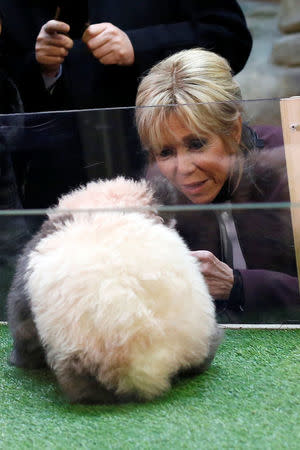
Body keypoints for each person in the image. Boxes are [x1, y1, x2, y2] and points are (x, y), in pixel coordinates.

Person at [135, 48, 300, 323]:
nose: (183, 168)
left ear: (233, 130)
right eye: (165, 152)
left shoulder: (290, 167)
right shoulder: (157, 191)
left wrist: (238, 286)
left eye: (196, 144)